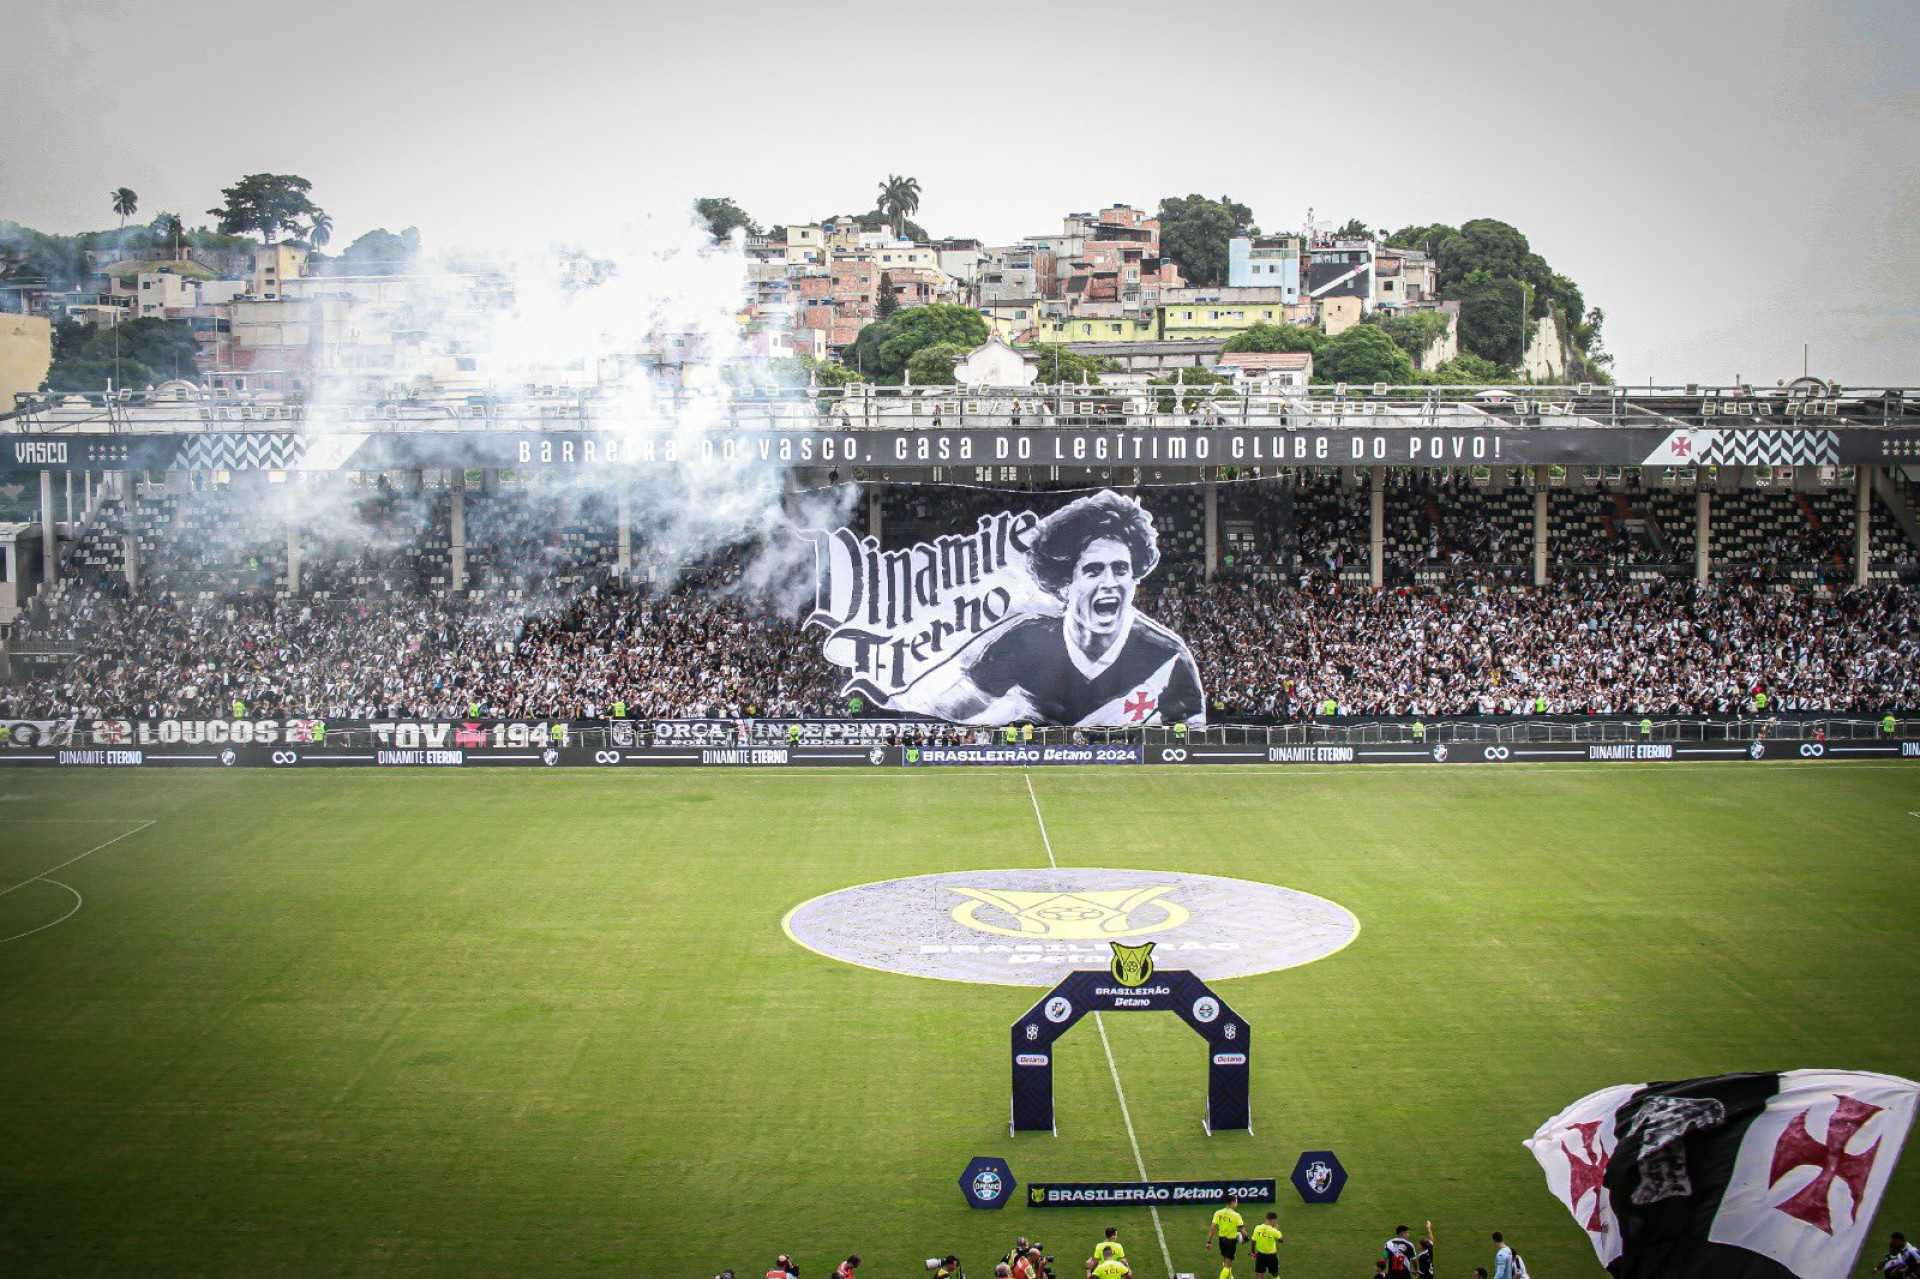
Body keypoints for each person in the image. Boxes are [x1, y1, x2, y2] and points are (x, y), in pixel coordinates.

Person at [932, 491, 1205, 728]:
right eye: (1093, 570)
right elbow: (949, 708)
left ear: (1134, 578)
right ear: (1065, 585)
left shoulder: (1169, 657)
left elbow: (1192, 732)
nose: (1110, 582)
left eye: (1120, 569)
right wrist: (1005, 710)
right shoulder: (1026, 641)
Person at [1207, 1193, 1247, 1279]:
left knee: (1225, 1260)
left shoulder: (1218, 1213)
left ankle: (1230, 1277)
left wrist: (1208, 1242)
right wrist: (1246, 1238)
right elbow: (1242, 1230)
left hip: (1222, 1241)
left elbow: (1212, 1229)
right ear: (1232, 1202)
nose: (1237, 1203)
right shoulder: (1236, 1215)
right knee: (1227, 1266)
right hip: (1231, 1242)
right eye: (1236, 1201)